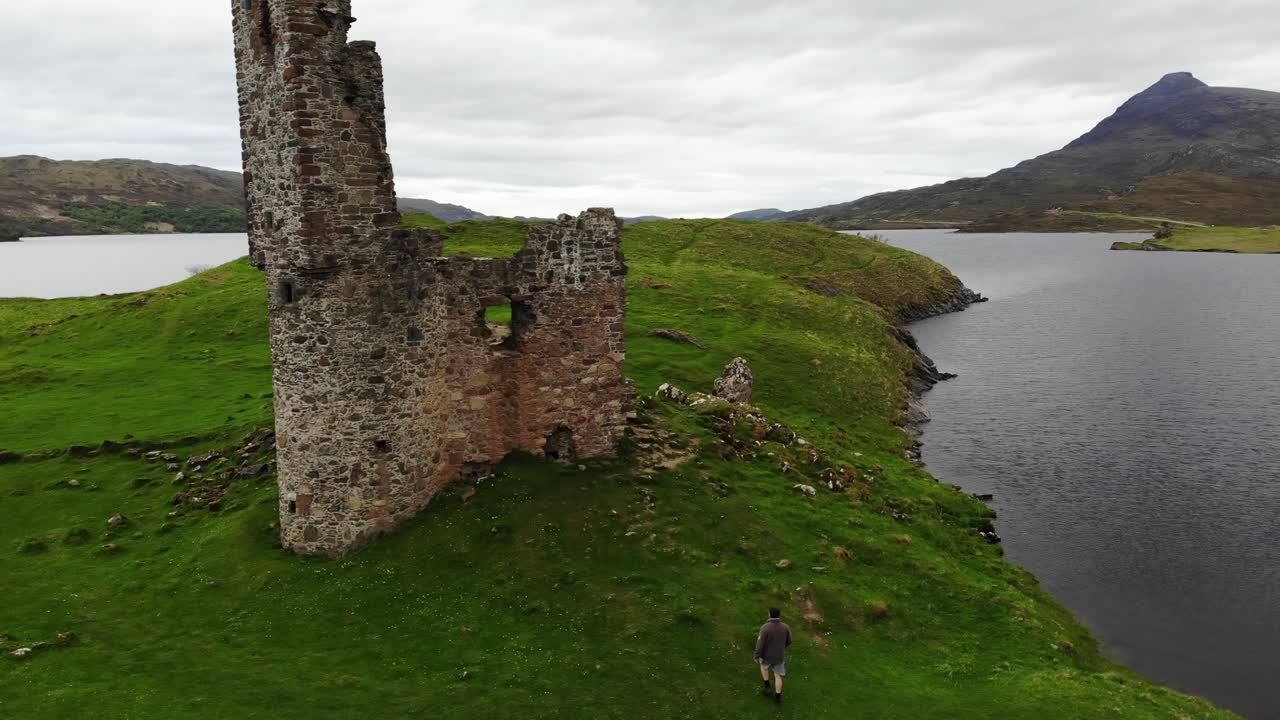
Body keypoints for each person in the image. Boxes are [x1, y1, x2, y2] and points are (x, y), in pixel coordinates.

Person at [754, 607, 792, 704]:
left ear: (769, 614)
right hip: (779, 656)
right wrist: (781, 648)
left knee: (763, 667)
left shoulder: (765, 627)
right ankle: (777, 697)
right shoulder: (785, 627)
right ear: (779, 615)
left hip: (766, 656)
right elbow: (789, 641)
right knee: (778, 676)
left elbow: (760, 643)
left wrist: (757, 655)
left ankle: (767, 687)